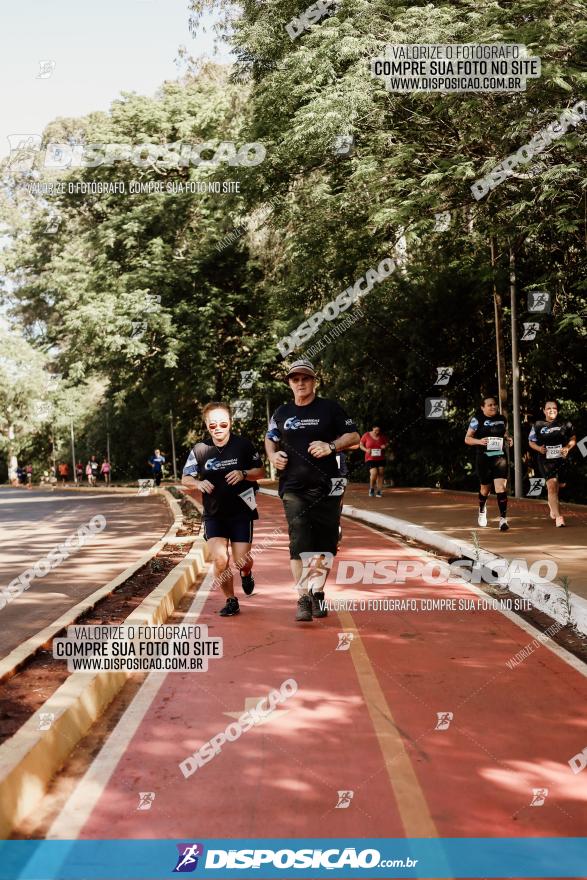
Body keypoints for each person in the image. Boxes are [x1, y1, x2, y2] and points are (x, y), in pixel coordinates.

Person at [265, 358, 360, 622]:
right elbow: (269, 438)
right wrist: (273, 456)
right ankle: (303, 597)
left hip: (328, 487)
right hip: (293, 488)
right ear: (289, 384)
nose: (300, 383)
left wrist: (331, 446)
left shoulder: (330, 409)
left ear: (314, 381)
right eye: (295, 379)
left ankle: (317, 591)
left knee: (325, 545)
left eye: (305, 378)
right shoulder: (281, 412)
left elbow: (354, 437)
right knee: (299, 541)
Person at [181, 402, 265, 617]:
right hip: (214, 514)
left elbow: (260, 471)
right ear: (206, 425)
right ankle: (231, 600)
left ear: (230, 423)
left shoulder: (243, 445)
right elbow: (185, 477)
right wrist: (198, 484)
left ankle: (247, 573)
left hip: (241, 512)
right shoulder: (199, 450)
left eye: (222, 423)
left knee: (241, 561)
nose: (218, 428)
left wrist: (244, 473)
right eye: (212, 425)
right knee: (220, 559)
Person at [465, 396, 513, 531]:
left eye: (494, 405)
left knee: (500, 488)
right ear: (482, 407)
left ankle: (503, 519)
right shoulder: (477, 420)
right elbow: (467, 438)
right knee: (485, 489)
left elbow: (503, 435)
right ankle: (482, 509)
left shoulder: (502, 419)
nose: (493, 407)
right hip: (484, 458)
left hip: (500, 457)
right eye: (489, 405)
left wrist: (508, 439)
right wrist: (479, 441)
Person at [528, 400, 576, 528]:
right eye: (548, 408)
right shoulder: (537, 425)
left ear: (557, 410)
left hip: (561, 459)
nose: (551, 410)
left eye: (554, 408)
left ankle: (552, 503)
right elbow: (531, 442)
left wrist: (567, 447)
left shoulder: (565, 423)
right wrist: (539, 449)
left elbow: (572, 439)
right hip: (545, 459)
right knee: (552, 485)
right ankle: (559, 517)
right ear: (544, 410)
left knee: (561, 484)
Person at [359, 425, 388, 497]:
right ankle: (371, 488)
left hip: (381, 458)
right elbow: (361, 445)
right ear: (372, 428)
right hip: (370, 458)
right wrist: (366, 450)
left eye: (378, 430)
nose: (377, 432)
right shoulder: (366, 435)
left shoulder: (382, 436)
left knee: (381, 473)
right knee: (374, 473)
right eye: (376, 430)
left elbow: (387, 443)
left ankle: (379, 491)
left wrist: (385, 446)